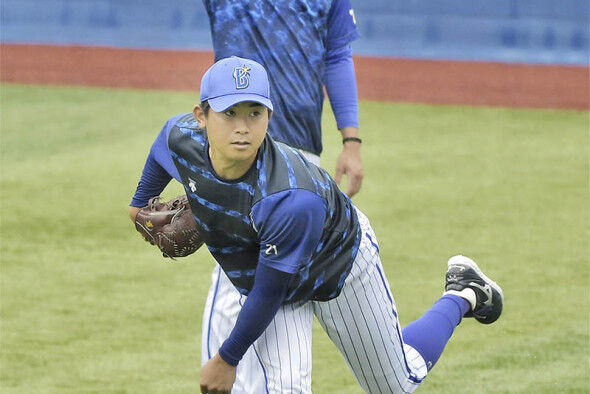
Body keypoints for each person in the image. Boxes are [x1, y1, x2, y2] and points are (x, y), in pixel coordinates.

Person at [130, 56, 504, 393]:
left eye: (254, 113)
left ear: (269, 117)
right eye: (230, 113)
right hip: (274, 275)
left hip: (338, 264)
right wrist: (137, 206)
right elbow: (163, 146)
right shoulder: (182, 138)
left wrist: (227, 359)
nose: (242, 127)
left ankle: (463, 293)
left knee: (396, 384)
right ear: (201, 116)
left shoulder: (289, 197)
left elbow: (270, 291)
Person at [200, 1, 364, 389]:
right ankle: (223, 380)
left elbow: (337, 53)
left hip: (301, 159)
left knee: (285, 292)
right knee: (235, 285)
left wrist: (351, 139)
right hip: (238, 154)